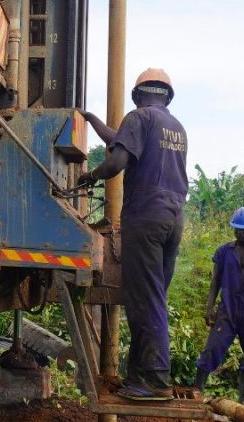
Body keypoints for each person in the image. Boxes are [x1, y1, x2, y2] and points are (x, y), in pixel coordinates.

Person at [78, 68, 188, 402]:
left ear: (138, 95)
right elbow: (120, 139)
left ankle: (154, 381)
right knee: (154, 296)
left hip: (146, 217)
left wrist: (91, 176)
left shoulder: (138, 117)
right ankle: (140, 376)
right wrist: (91, 119)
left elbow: (116, 161)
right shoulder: (176, 127)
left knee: (144, 298)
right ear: (166, 95)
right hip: (173, 218)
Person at [191, 207, 244, 404]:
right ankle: (196, 391)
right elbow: (215, 280)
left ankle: (243, 399)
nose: (240, 233)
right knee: (212, 349)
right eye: (236, 229)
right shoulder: (224, 252)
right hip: (228, 309)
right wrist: (209, 307)